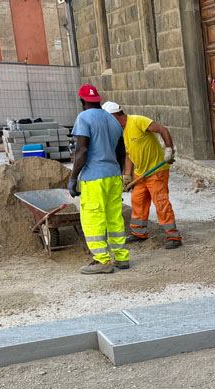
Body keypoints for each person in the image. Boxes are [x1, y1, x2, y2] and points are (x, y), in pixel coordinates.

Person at [101, 101, 182, 248]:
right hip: (140, 173)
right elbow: (129, 154)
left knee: (160, 202)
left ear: (113, 116)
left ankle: (173, 236)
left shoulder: (137, 121)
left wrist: (169, 149)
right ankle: (139, 232)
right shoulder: (123, 130)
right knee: (137, 200)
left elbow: (162, 129)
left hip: (156, 170)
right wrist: (127, 175)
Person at [68, 84, 129, 274]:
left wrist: (72, 178)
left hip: (93, 178)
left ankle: (102, 261)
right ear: (98, 100)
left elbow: (82, 150)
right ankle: (121, 258)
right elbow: (121, 152)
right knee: (114, 217)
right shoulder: (112, 121)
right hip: (113, 176)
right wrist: (118, 174)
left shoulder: (83, 118)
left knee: (93, 218)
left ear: (82, 101)